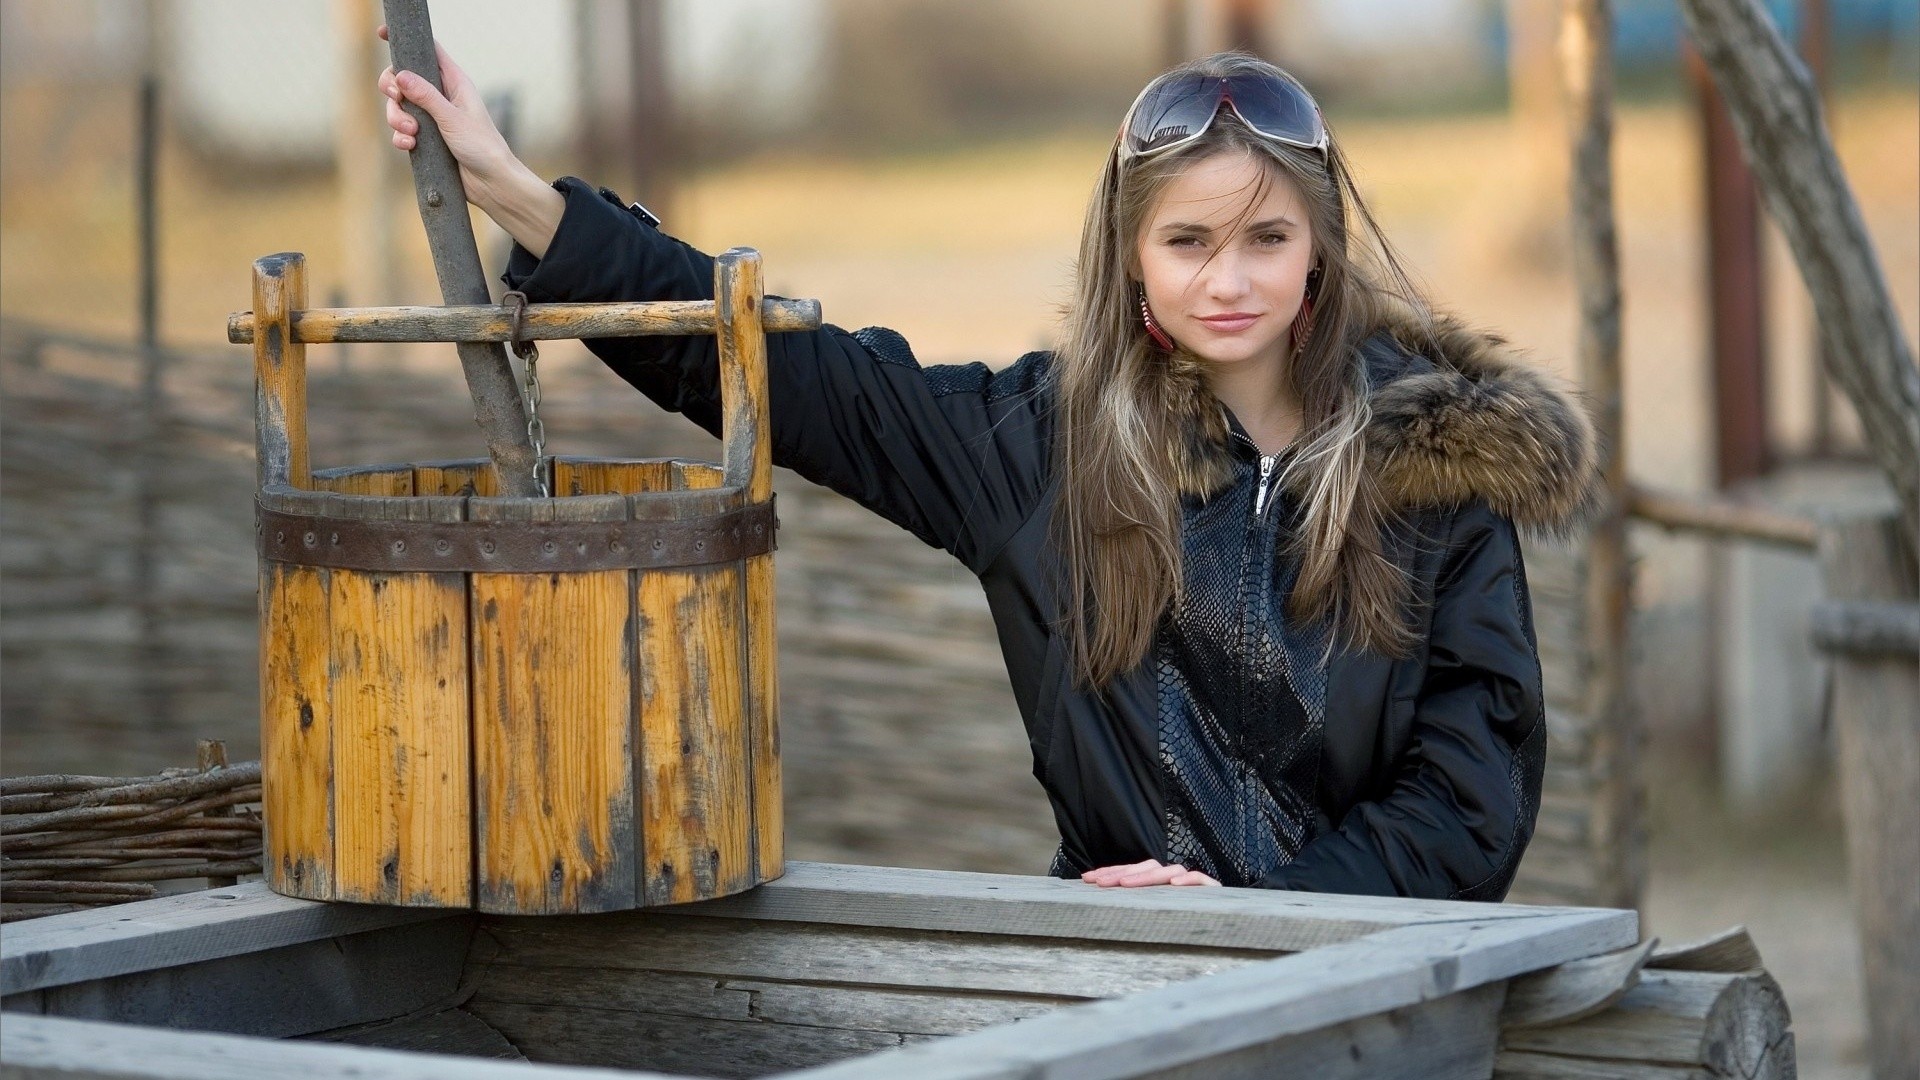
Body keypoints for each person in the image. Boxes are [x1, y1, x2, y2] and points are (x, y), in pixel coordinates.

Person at [380, 42, 1599, 900]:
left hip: (1370, 987)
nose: (1228, 282)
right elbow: (802, 382)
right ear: (1130, 258)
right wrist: (523, 198)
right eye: (1188, 242)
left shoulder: (1439, 469)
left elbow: (1471, 796)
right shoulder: (1041, 449)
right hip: (1113, 986)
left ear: (1320, 255)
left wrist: (1261, 913)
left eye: (1266, 240)